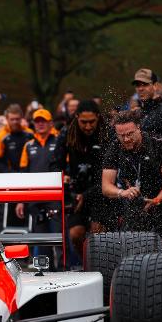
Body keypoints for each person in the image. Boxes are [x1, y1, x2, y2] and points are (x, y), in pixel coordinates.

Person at [49, 100, 116, 263]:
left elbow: (112, 172)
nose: (87, 126)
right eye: (83, 122)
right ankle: (86, 264)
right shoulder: (67, 132)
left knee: (97, 232)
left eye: (91, 122)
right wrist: (61, 175)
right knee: (75, 234)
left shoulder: (106, 133)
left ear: (98, 118)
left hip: (102, 189)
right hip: (77, 189)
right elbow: (54, 164)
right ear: (76, 117)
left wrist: (87, 195)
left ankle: (101, 266)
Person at [102, 109, 162, 252]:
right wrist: (122, 192)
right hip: (135, 204)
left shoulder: (159, 144)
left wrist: (157, 199)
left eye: (130, 134)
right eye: (121, 135)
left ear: (138, 127)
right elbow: (106, 186)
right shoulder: (115, 147)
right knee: (132, 249)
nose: (126, 139)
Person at [16, 109, 61, 270]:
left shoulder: (59, 142)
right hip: (35, 199)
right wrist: (21, 200)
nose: (40, 124)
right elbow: (23, 174)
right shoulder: (28, 146)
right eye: (37, 121)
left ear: (50, 123)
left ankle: (63, 271)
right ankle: (45, 272)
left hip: (55, 197)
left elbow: (66, 168)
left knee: (58, 236)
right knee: (41, 240)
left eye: (44, 121)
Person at [0, 104, 33, 173]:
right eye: (12, 119)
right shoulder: (0, 137)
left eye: (17, 119)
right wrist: (10, 173)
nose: (15, 122)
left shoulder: (30, 134)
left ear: (21, 118)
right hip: (9, 177)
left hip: (29, 174)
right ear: (7, 119)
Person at [132, 68, 162, 138]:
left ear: (155, 86)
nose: (140, 89)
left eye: (145, 84)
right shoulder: (139, 112)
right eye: (138, 85)